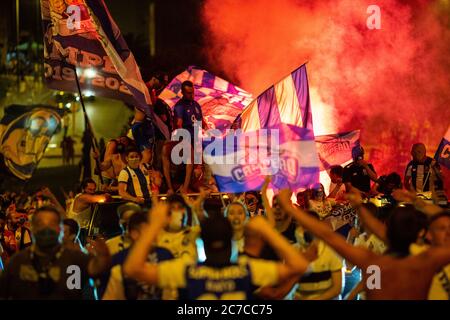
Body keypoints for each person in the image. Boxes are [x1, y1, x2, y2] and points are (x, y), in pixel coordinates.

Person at [277, 188, 450, 300]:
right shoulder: (427, 260)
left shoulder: (373, 262)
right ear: (421, 233)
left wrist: (289, 207)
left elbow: (327, 236)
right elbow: (380, 231)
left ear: (388, 230)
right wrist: (420, 203)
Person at [123, 199, 309, 300]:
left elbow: (133, 269)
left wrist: (155, 224)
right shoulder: (247, 269)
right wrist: (267, 229)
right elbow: (299, 265)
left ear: (201, 243)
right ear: (231, 242)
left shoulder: (188, 271)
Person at [0, 206, 111, 299]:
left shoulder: (76, 259)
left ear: (60, 229)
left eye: (52, 224)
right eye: (40, 223)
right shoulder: (17, 261)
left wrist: (103, 258)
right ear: (32, 228)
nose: (46, 228)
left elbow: (95, 273)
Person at [102, 211, 174, 300]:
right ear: (134, 234)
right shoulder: (119, 260)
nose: (154, 234)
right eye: (148, 231)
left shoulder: (165, 255)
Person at [293, 211, 344, 300]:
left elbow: (337, 289)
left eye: (309, 225)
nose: (305, 230)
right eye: (302, 225)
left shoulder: (331, 251)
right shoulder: (292, 251)